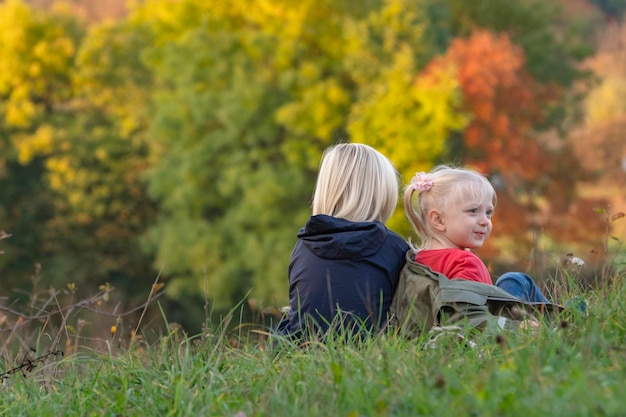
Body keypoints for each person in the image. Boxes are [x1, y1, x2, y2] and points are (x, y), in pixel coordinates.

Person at [281, 143, 409, 340]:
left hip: (301, 351)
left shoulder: (304, 246)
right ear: (382, 194)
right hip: (370, 355)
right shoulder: (393, 247)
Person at [403, 165, 550, 304]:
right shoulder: (464, 262)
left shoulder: (415, 261)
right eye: (473, 211)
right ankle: (563, 319)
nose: (485, 221)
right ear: (439, 220)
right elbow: (471, 314)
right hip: (494, 326)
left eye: (488, 213)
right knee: (515, 281)